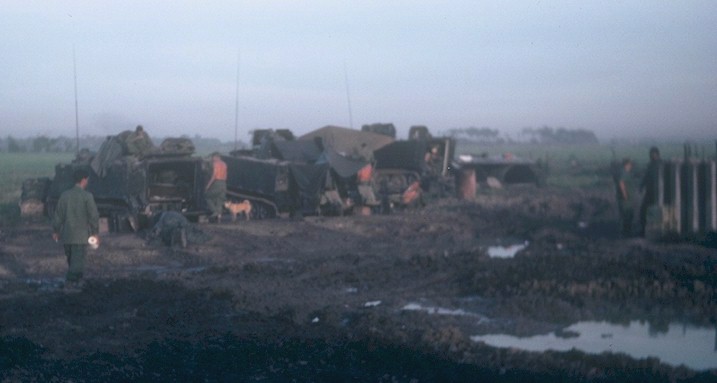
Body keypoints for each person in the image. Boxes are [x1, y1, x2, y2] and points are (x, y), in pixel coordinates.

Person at [52, 168, 100, 286]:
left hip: (67, 236)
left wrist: (56, 230)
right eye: (87, 180)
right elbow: (93, 216)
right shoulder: (87, 196)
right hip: (80, 237)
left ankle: (76, 284)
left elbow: (58, 215)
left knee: (72, 262)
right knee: (77, 266)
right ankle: (70, 284)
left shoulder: (65, 195)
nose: (87, 182)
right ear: (83, 180)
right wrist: (95, 232)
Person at [639, 146, 661, 236]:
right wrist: (641, 186)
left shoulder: (661, 165)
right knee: (643, 211)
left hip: (659, 192)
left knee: (658, 212)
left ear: (657, 155)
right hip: (650, 192)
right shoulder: (650, 165)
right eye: (651, 155)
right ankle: (643, 230)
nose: (652, 156)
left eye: (653, 154)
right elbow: (646, 177)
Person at [615, 158, 636, 237]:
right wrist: (624, 194)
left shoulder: (626, 172)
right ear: (626, 165)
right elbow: (621, 183)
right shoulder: (624, 173)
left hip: (628, 198)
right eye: (630, 164)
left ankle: (626, 232)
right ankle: (625, 233)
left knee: (629, 214)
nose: (631, 166)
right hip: (625, 199)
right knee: (626, 214)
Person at [205, 152, 227, 222]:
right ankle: (219, 219)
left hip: (217, 183)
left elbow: (214, 175)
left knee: (207, 197)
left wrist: (208, 186)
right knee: (219, 201)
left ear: (216, 157)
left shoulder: (216, 164)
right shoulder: (224, 164)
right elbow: (226, 176)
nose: (212, 159)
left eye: (213, 157)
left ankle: (214, 211)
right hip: (223, 183)